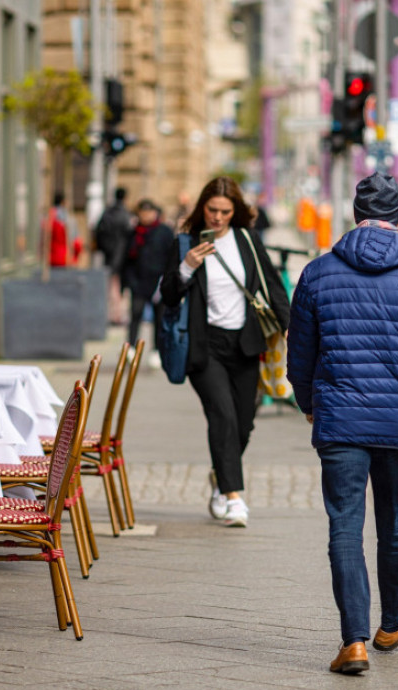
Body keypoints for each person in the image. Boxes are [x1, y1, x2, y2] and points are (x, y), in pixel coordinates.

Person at [286, 172, 398, 675]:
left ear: (355, 216)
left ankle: (354, 642)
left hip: (338, 419)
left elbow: (300, 352)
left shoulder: (318, 273)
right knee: (395, 522)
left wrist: (308, 401)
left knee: (344, 526)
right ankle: (389, 624)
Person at [160, 176, 290, 527]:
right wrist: (187, 266)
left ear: (236, 212)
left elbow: (273, 286)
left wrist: (291, 326)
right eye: (212, 210)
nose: (217, 217)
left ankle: (220, 479)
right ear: (203, 208)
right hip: (204, 348)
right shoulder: (185, 243)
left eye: (225, 212)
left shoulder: (247, 240)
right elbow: (168, 295)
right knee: (223, 416)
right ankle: (233, 498)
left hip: (245, 344)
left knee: (244, 423)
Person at [121, 199, 173, 351]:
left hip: (159, 282)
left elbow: (171, 256)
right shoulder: (133, 232)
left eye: (149, 212)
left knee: (158, 318)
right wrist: (127, 281)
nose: (146, 215)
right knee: (135, 314)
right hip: (138, 281)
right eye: (142, 212)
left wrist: (168, 279)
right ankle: (130, 347)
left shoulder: (164, 231)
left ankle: (156, 350)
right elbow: (127, 259)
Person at [95, 187, 135, 323]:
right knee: (120, 287)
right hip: (123, 256)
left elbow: (98, 232)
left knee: (110, 284)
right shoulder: (126, 215)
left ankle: (110, 313)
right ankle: (117, 315)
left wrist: (105, 247)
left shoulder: (107, 213)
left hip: (109, 254)